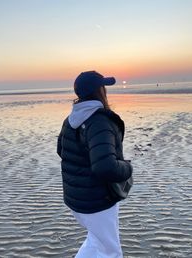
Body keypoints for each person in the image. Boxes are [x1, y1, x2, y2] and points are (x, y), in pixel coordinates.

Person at [57, 71, 133, 258]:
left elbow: (62, 150)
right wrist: (128, 168)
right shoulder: (99, 121)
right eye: (103, 87)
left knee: (95, 240)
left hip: (77, 200)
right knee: (111, 252)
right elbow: (105, 167)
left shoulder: (71, 119)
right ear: (100, 91)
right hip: (97, 202)